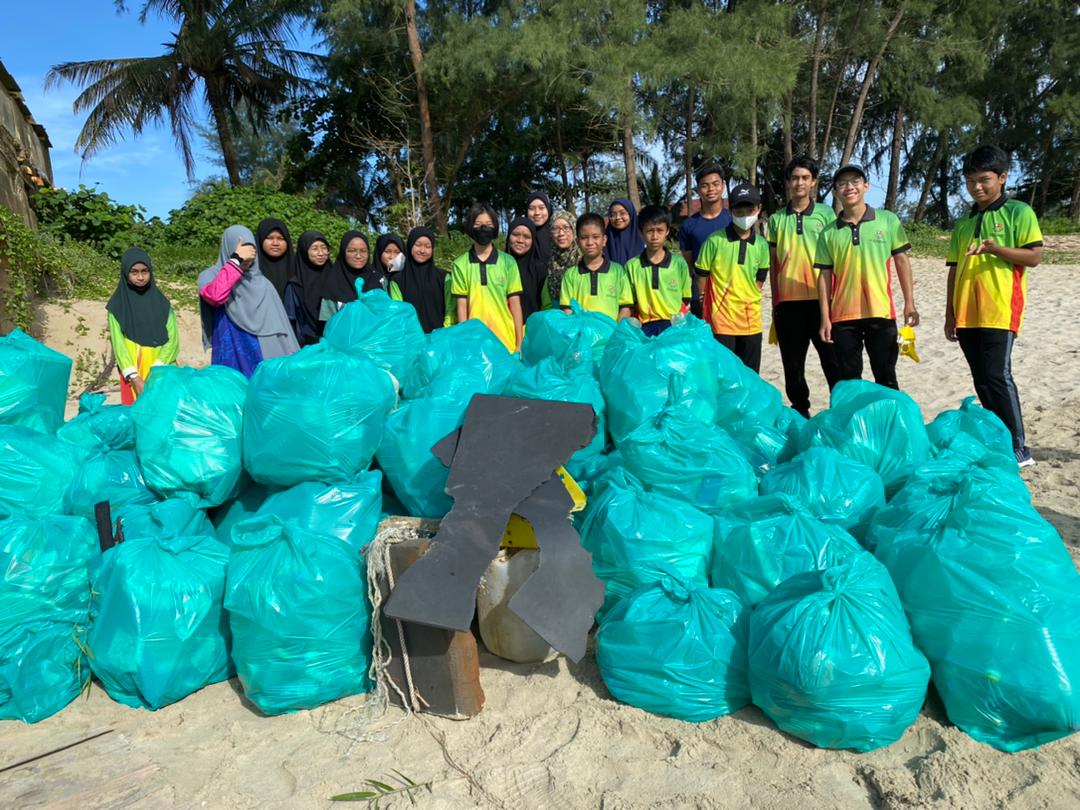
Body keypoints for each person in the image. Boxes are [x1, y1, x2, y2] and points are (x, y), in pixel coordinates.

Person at [945, 144, 1043, 467]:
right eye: (970, 181)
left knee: (997, 375)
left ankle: (1018, 447)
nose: (977, 187)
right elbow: (954, 270)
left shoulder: (1018, 212)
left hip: (1000, 309)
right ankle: (997, 440)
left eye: (984, 179)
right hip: (966, 314)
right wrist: (950, 314)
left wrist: (996, 249)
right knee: (981, 379)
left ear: (1002, 178)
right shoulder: (964, 222)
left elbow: (1034, 257)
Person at [815, 164, 918, 390]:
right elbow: (824, 277)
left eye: (855, 181)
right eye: (842, 184)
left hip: (880, 311)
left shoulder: (887, 220)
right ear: (835, 192)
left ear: (866, 186)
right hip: (842, 316)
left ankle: (889, 414)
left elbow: (902, 261)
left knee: (886, 377)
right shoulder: (828, 232)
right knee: (850, 381)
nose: (849, 187)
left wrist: (909, 303)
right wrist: (825, 317)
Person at [768, 156, 841, 416]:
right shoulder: (776, 219)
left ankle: (839, 412)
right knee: (793, 366)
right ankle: (801, 413)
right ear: (788, 182)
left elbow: (835, 258)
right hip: (788, 304)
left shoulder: (827, 214)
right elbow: (773, 264)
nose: (800, 183)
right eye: (795, 178)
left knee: (832, 362)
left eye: (805, 178)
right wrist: (775, 304)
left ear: (814, 182)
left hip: (822, 302)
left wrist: (833, 301)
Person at [198, 224, 299, 376]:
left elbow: (281, 327)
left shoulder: (262, 282)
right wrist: (236, 261)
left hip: (265, 351)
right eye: (242, 249)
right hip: (233, 347)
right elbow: (215, 296)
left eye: (251, 248)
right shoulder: (210, 275)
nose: (248, 256)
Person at [695, 182, 771, 371]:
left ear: (759, 209)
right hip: (721, 321)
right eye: (739, 211)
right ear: (730, 211)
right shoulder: (714, 240)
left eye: (749, 210)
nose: (745, 215)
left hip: (751, 320)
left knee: (751, 375)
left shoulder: (761, 245)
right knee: (725, 375)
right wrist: (706, 300)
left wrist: (748, 294)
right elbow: (701, 274)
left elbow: (761, 277)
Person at [107, 247, 178, 404]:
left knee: (166, 409)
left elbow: (172, 340)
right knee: (137, 411)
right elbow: (119, 344)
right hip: (134, 371)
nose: (140, 277)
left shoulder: (163, 304)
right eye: (134, 272)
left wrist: (157, 370)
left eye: (145, 271)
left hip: (163, 368)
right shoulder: (117, 307)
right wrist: (135, 377)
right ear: (125, 273)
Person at [452, 203, 524, 352]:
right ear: (471, 228)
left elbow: (515, 304)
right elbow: (461, 306)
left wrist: (519, 343)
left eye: (488, 225)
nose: (483, 228)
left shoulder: (508, 262)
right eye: (478, 224)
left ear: (495, 227)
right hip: (475, 343)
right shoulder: (460, 264)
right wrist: (465, 341)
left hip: (506, 341)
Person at [624, 205, 691, 336]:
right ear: (641, 232)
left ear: (667, 231)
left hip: (674, 327)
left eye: (660, 230)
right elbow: (630, 304)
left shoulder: (679, 263)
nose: (655, 236)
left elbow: (685, 299)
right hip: (644, 328)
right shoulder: (631, 266)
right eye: (649, 231)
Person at [679, 164, 732, 316]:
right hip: (701, 296)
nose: (711, 189)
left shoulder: (733, 221)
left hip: (731, 294)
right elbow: (690, 265)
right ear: (698, 190)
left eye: (715, 184)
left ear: (723, 185)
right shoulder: (688, 226)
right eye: (705, 186)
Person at [560, 212, 633, 322]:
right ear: (578, 242)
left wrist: (616, 330)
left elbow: (625, 307)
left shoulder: (618, 271)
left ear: (604, 240)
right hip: (581, 332)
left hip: (612, 331)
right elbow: (567, 310)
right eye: (584, 238)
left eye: (595, 237)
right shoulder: (570, 275)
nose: (590, 242)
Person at [391, 226, 452, 333]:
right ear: (410, 245)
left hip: (441, 337)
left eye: (428, 246)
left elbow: (450, 310)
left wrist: (445, 332)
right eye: (418, 245)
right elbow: (398, 313)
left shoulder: (444, 277)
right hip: (410, 338)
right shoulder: (397, 281)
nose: (422, 250)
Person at [320, 230, 384, 323]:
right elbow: (327, 322)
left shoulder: (379, 279)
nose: (358, 256)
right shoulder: (332, 282)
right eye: (352, 251)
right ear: (343, 252)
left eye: (363, 251)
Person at [284, 230, 331, 346]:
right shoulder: (295, 285)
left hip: (337, 341)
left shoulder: (336, 278)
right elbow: (291, 319)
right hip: (307, 344)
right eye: (314, 249)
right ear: (304, 251)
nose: (321, 253)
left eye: (324, 248)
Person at [506, 216, 546, 320]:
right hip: (502, 327)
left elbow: (545, 305)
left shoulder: (540, 269)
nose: (520, 240)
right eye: (515, 235)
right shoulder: (499, 265)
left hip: (533, 327)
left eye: (526, 237)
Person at [541, 210, 580, 309]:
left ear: (574, 230)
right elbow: (546, 303)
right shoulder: (549, 262)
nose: (561, 233)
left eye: (566, 228)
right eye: (555, 229)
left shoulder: (584, 259)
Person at [255, 218, 292, 303]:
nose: (275, 243)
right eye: (270, 238)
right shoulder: (250, 269)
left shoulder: (297, 268)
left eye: (281, 238)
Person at [603, 197, 644, 266]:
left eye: (622, 213)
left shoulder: (644, 238)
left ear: (631, 214)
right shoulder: (604, 241)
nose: (617, 217)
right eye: (613, 215)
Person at [526, 191, 554, 270]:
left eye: (541, 208)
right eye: (532, 208)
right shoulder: (521, 236)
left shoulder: (559, 234)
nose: (537, 213)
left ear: (548, 209)